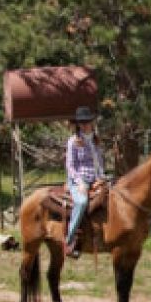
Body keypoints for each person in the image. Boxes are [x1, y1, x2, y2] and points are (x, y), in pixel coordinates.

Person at [64, 105, 104, 258]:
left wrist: (101, 177)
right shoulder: (73, 141)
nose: (85, 125)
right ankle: (69, 240)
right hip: (80, 179)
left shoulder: (95, 140)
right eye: (82, 122)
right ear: (78, 124)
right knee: (81, 202)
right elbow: (70, 165)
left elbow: (99, 161)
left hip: (97, 178)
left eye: (88, 122)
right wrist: (80, 182)